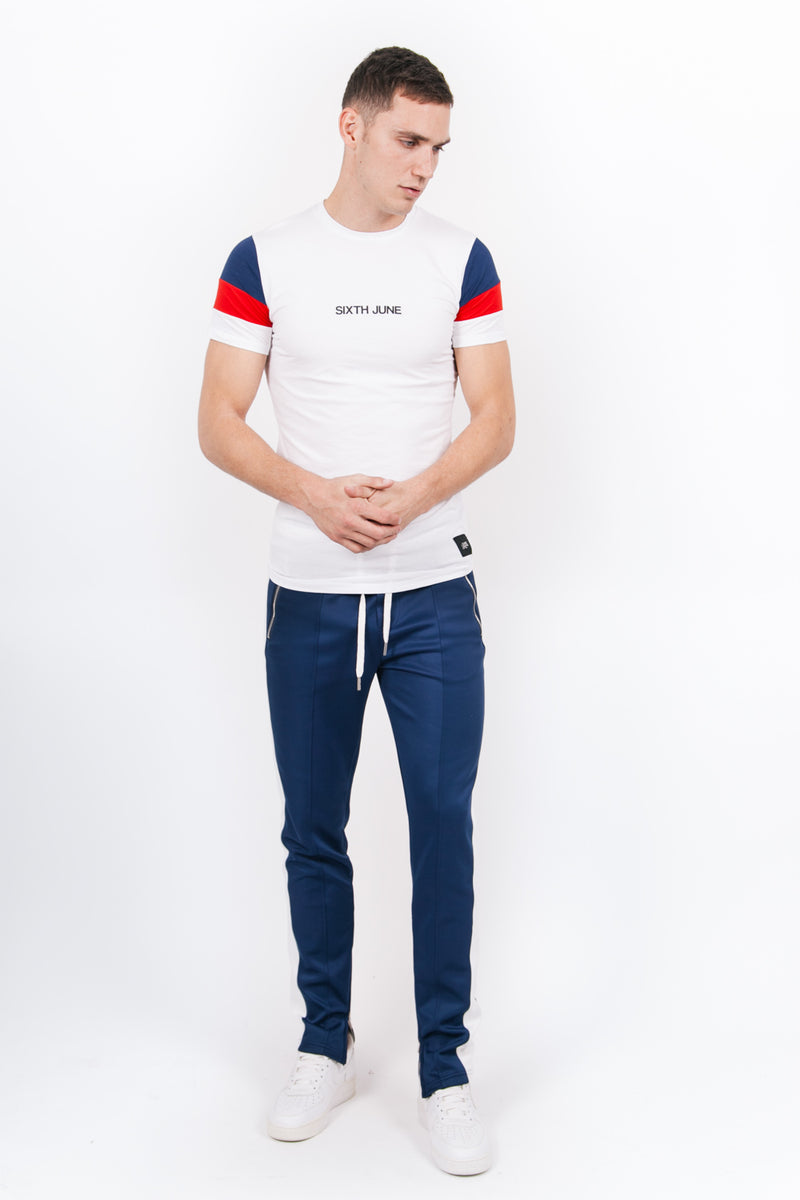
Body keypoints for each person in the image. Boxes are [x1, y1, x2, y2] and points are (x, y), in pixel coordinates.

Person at [198, 45, 515, 1176]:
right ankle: (322, 1043)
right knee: (312, 828)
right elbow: (219, 418)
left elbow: (494, 418)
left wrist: (412, 498)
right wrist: (315, 495)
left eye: (438, 147)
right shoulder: (265, 259)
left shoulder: (460, 258)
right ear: (352, 126)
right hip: (311, 594)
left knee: (442, 823)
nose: (424, 165)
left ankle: (445, 1068)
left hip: (432, 596)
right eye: (407, 140)